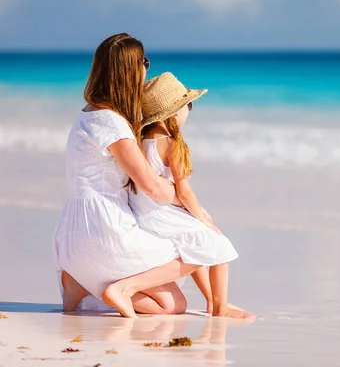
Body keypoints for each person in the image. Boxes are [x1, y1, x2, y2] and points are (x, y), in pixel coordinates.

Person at [53, 33, 190, 316]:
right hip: (104, 229)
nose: (145, 70)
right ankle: (92, 285)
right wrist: (185, 198)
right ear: (129, 71)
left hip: (75, 230)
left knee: (167, 299)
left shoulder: (89, 115)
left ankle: (84, 282)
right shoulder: (112, 123)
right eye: (144, 63)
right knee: (193, 256)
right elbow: (150, 185)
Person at [127, 72, 249, 317]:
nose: (188, 113)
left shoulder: (137, 142)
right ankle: (220, 306)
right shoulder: (172, 144)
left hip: (141, 213)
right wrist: (205, 220)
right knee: (219, 245)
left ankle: (212, 302)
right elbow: (184, 190)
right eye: (187, 107)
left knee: (197, 240)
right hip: (161, 215)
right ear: (174, 113)